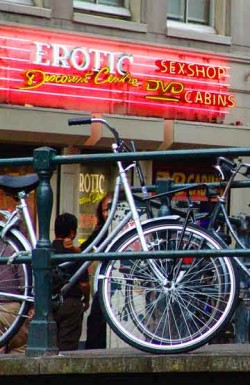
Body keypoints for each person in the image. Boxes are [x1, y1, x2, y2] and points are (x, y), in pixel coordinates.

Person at [52, 212, 90, 351]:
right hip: (71, 303)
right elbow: (84, 284)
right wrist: (86, 300)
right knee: (67, 348)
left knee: (49, 346)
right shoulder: (75, 254)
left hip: (49, 305)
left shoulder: (46, 251)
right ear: (72, 233)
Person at [82, 193, 112, 350]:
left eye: (109, 209)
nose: (107, 214)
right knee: (96, 320)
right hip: (103, 283)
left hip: (114, 283)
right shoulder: (101, 231)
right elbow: (85, 249)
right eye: (105, 210)